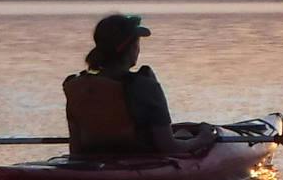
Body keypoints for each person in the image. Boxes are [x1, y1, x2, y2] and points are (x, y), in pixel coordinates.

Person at [63, 12, 219, 158]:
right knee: (185, 135)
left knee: (183, 132)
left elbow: (75, 149)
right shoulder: (146, 86)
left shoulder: (76, 86)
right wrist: (202, 139)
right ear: (130, 49)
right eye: (137, 43)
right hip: (137, 159)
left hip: (90, 162)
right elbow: (169, 147)